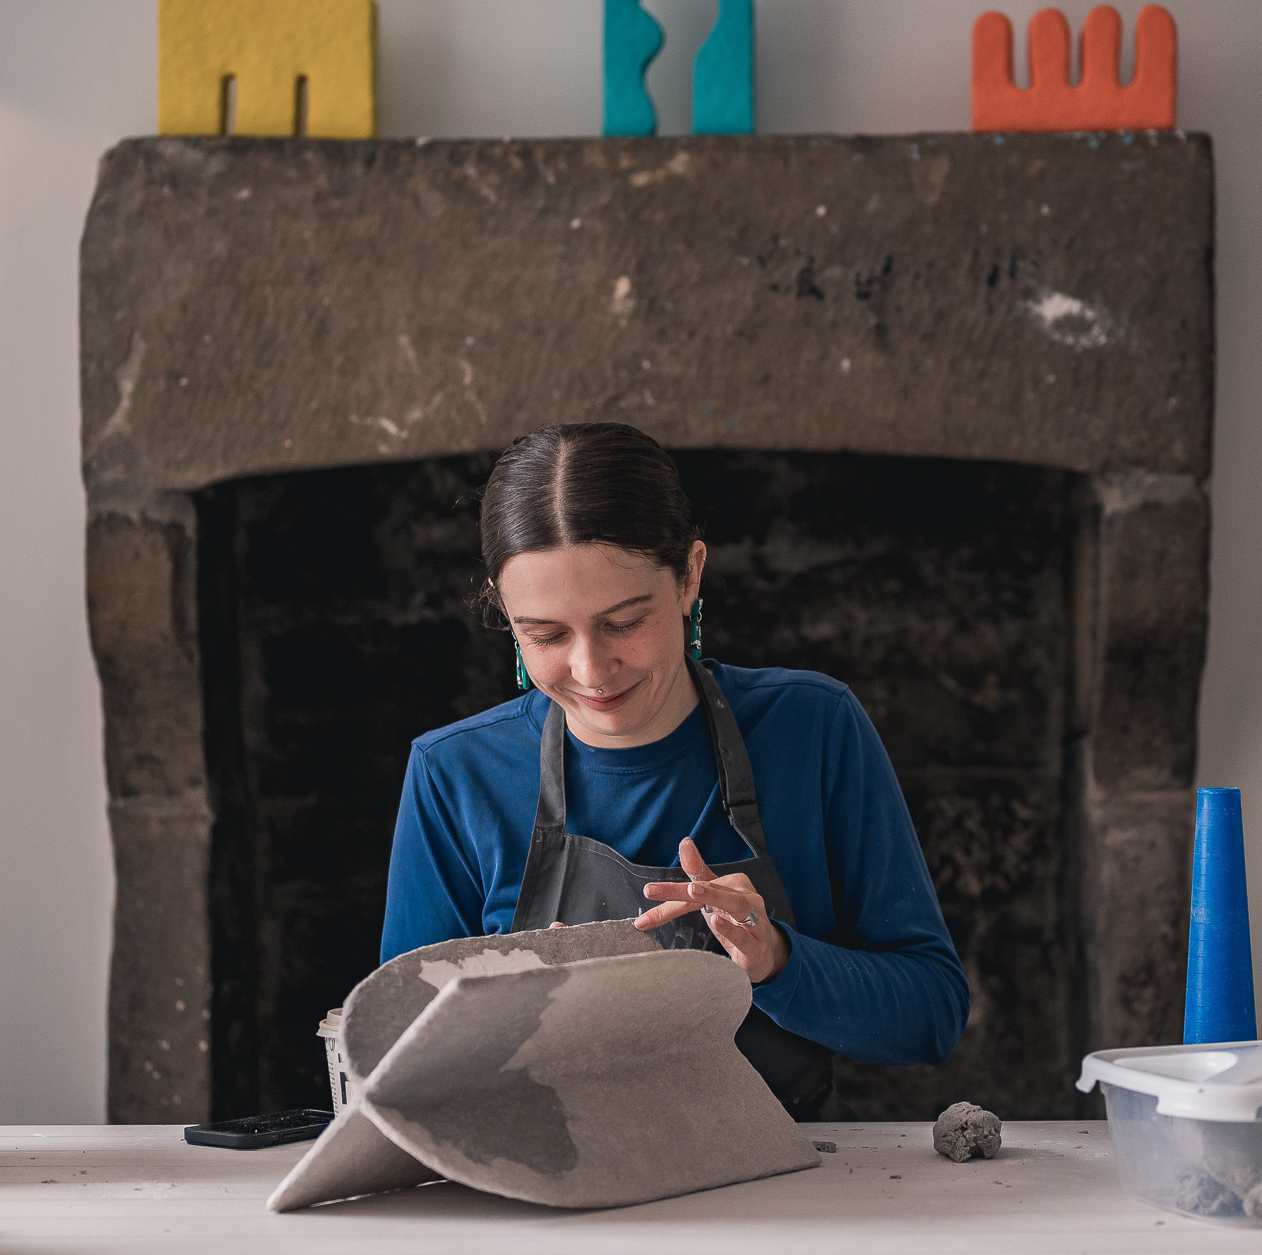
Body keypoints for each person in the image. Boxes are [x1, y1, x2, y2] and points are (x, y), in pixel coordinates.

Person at [380, 422, 969, 1120]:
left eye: (624, 622)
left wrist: (779, 960)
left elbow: (931, 1015)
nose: (591, 671)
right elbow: (396, 1064)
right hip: (551, 1210)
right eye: (546, 634)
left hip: (790, 1196)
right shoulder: (455, 775)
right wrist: (513, 1012)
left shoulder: (813, 727)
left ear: (689, 575)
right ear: (505, 615)